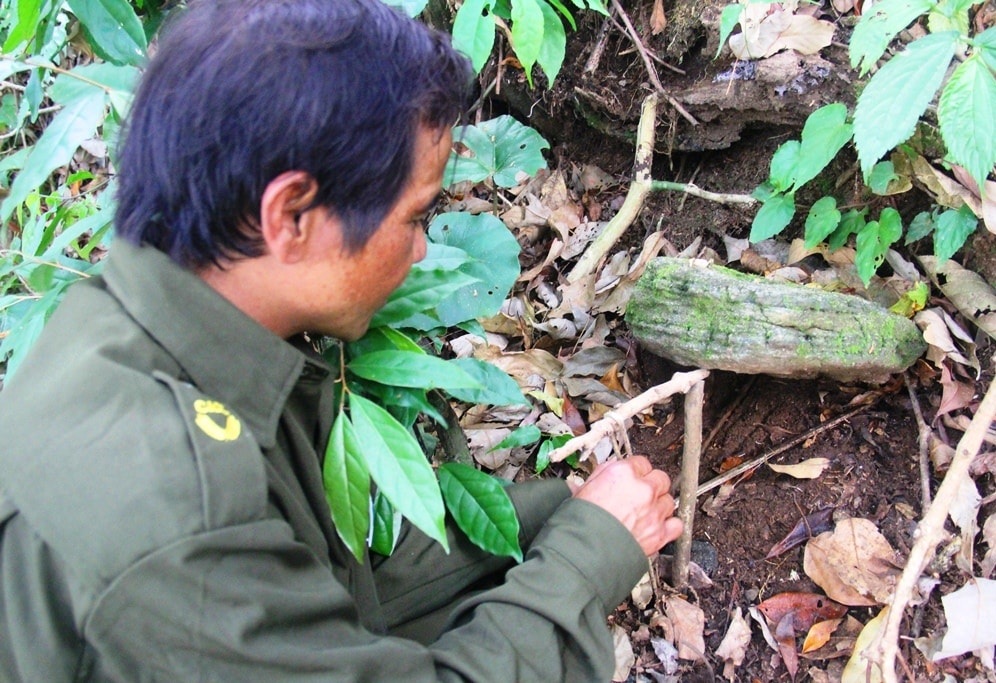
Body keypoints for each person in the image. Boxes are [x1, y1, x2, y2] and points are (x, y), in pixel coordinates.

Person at [0, 0, 683, 680]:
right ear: (292, 215)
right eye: (415, 216)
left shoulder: (124, 329)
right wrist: (585, 560)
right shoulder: (174, 505)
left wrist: (554, 520)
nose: (420, 251)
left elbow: (316, 605)